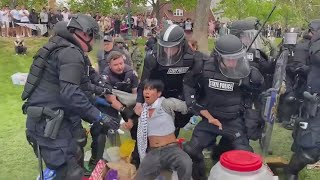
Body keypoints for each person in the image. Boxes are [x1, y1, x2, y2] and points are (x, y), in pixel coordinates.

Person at [22, 14, 120, 179]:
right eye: (93, 37)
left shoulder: (61, 47)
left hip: (48, 120)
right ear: (85, 34)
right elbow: (71, 93)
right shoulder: (70, 52)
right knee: (70, 173)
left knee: (76, 152)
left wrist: (102, 90)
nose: (93, 42)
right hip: (49, 124)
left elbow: (81, 85)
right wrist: (99, 116)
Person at [183, 34, 265, 180]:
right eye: (229, 59)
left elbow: (259, 93)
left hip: (234, 120)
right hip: (210, 119)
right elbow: (189, 83)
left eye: (236, 58)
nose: (233, 63)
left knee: (245, 154)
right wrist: (194, 105)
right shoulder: (204, 68)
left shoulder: (246, 72)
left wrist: (257, 83)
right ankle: (199, 175)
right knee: (191, 149)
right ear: (218, 56)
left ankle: (221, 152)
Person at [134, 24, 207, 137]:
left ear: (181, 45)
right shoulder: (152, 58)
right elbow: (144, 82)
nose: (168, 51)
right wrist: (139, 102)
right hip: (159, 93)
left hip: (180, 96)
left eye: (172, 47)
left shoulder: (192, 58)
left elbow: (198, 81)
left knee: (172, 129)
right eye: (165, 47)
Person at [89, 51, 140, 168]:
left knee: (137, 124)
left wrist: (132, 114)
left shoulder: (131, 73)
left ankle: (136, 156)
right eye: (116, 65)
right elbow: (110, 98)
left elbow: (135, 94)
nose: (120, 66)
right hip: (108, 102)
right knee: (102, 126)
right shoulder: (105, 76)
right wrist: (123, 109)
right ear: (109, 65)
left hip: (127, 100)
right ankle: (96, 160)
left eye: (121, 63)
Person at [135, 80, 192, 180]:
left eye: (151, 89)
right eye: (145, 89)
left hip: (171, 149)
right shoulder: (142, 109)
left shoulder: (166, 103)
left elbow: (187, 107)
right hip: (153, 151)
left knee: (186, 163)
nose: (147, 92)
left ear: (159, 93)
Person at [285, 20, 320, 180]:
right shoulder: (312, 47)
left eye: (313, 32)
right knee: (308, 148)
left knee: (311, 148)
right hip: (312, 102)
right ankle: (291, 172)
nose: (310, 35)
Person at [280, 21, 318, 130]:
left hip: (305, 77)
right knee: (292, 98)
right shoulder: (303, 46)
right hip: (299, 77)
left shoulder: (311, 45)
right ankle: (288, 120)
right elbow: (297, 65)